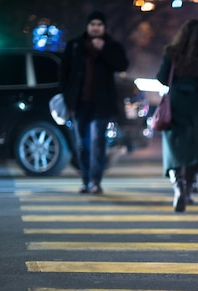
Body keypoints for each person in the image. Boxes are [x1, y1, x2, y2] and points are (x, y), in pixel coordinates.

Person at [60, 10, 129, 194]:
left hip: (102, 104)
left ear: (104, 27)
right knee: (82, 144)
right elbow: (64, 72)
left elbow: (122, 65)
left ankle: (95, 181)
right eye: (93, 24)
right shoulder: (75, 45)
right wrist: (66, 97)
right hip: (79, 104)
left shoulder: (112, 45)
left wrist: (103, 50)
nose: (96, 28)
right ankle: (85, 179)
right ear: (88, 26)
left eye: (99, 25)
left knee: (98, 143)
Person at [156, 19, 198, 212]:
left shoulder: (172, 52)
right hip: (195, 104)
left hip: (175, 103)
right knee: (193, 147)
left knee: (173, 146)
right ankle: (190, 188)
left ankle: (178, 187)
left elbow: (161, 77)